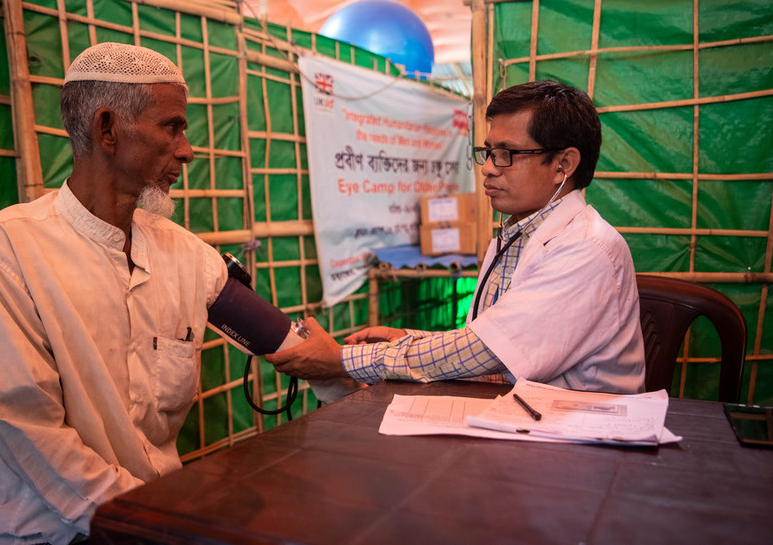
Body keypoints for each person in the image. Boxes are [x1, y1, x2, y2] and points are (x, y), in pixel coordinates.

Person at [0, 42, 228, 544]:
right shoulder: (2, 252)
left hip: (159, 517)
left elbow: (282, 341)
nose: (188, 150)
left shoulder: (186, 254)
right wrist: (150, 520)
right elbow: (28, 429)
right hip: (43, 534)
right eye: (172, 126)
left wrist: (352, 366)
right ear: (108, 129)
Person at [266, 80, 645, 394]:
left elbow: (486, 351)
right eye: (488, 152)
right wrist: (405, 339)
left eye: (507, 154)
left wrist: (341, 361)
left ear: (563, 164)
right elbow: (487, 338)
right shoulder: (516, 234)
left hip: (581, 442)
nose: (489, 170)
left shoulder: (586, 249)